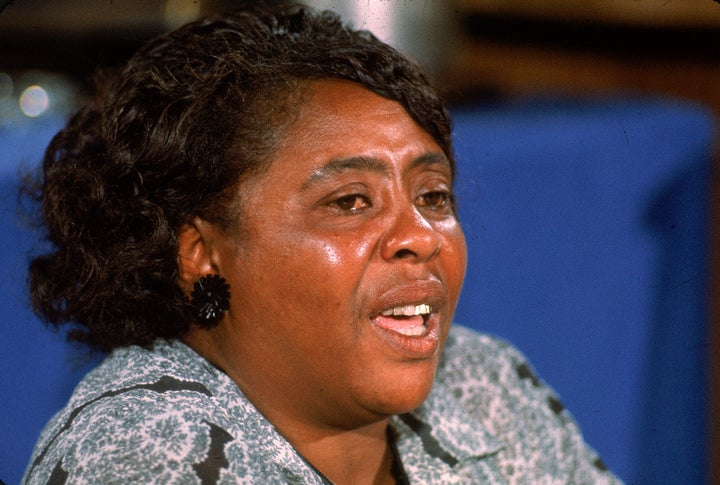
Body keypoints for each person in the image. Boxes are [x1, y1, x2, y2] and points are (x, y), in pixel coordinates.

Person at [23, 4, 621, 484]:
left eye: (433, 196)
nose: (420, 237)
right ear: (201, 253)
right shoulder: (148, 459)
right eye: (350, 202)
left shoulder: (483, 383)